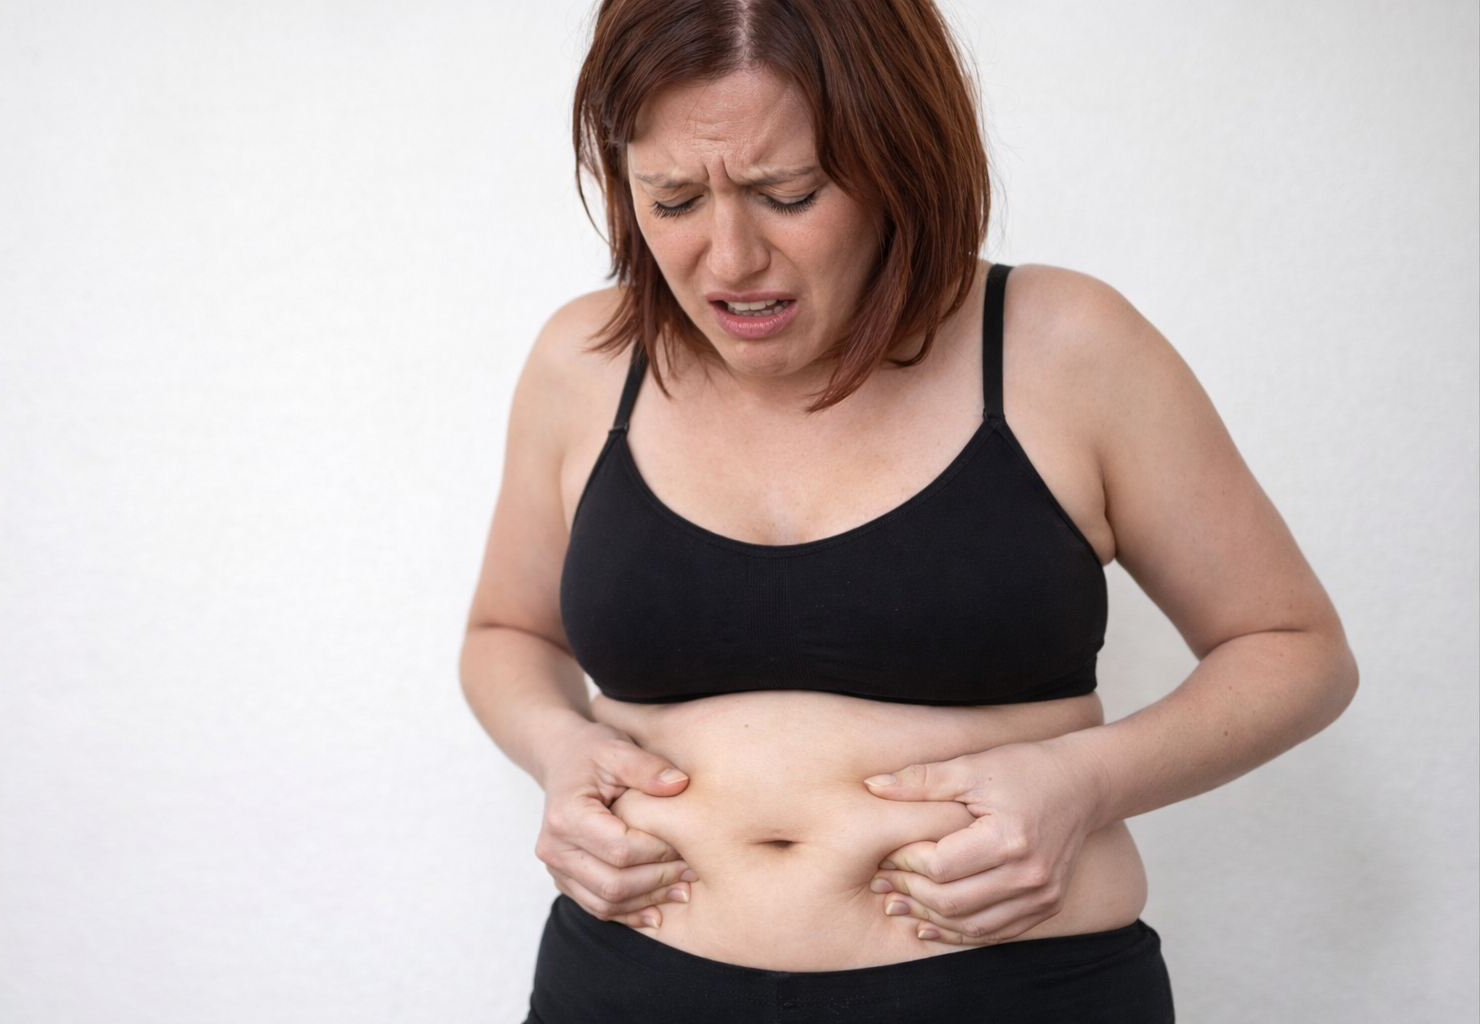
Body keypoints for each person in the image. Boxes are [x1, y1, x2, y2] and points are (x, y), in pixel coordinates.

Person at [461, 1, 1358, 1020]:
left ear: (901, 157)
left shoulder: (1067, 349)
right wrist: (560, 749)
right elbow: (506, 632)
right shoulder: (585, 363)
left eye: (786, 194)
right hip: (623, 987)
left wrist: (1084, 783)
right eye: (671, 200)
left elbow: (1294, 647)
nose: (729, 258)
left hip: (1013, 988)